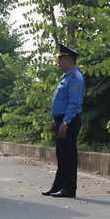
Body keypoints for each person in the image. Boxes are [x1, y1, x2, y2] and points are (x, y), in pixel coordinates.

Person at [42, 43, 85, 198]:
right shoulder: (66, 77)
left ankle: (69, 188)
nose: (58, 63)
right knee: (61, 155)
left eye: (60, 59)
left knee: (68, 155)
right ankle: (58, 186)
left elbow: (74, 104)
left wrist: (65, 122)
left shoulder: (75, 78)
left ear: (69, 61)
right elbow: (63, 102)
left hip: (70, 121)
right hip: (62, 120)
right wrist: (57, 120)